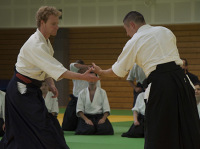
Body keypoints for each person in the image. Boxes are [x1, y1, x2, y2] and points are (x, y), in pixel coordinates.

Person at [92, 11, 200, 149]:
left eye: (126, 30)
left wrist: (101, 72)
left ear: (132, 25)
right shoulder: (165, 31)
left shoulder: (135, 40)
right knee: (186, 122)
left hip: (161, 83)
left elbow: (117, 71)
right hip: (182, 79)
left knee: (158, 126)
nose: (127, 34)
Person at [0, 6, 99, 149]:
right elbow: (57, 69)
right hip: (20, 91)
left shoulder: (45, 43)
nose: (57, 27)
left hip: (30, 89)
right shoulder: (36, 44)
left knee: (42, 126)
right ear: (42, 23)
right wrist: (83, 77)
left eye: (57, 23)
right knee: (39, 128)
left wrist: (51, 84)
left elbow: (45, 69)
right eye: (53, 24)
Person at [62, 60, 101, 131]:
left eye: (80, 67)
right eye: (79, 68)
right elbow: (73, 65)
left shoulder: (93, 74)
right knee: (67, 127)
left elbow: (98, 86)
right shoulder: (74, 72)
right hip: (76, 99)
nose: (79, 69)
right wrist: (86, 67)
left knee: (87, 127)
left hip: (88, 100)